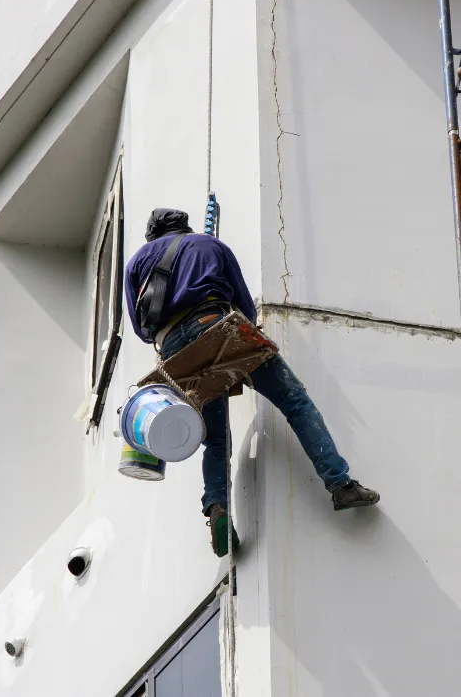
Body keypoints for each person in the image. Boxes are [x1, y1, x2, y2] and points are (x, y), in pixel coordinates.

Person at [125, 208, 380, 557]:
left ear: (153, 235)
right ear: (185, 226)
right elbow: (244, 304)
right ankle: (340, 484)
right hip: (216, 325)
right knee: (294, 401)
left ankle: (217, 508)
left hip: (175, 355)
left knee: (215, 438)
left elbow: (142, 330)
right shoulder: (209, 245)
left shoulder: (138, 262)